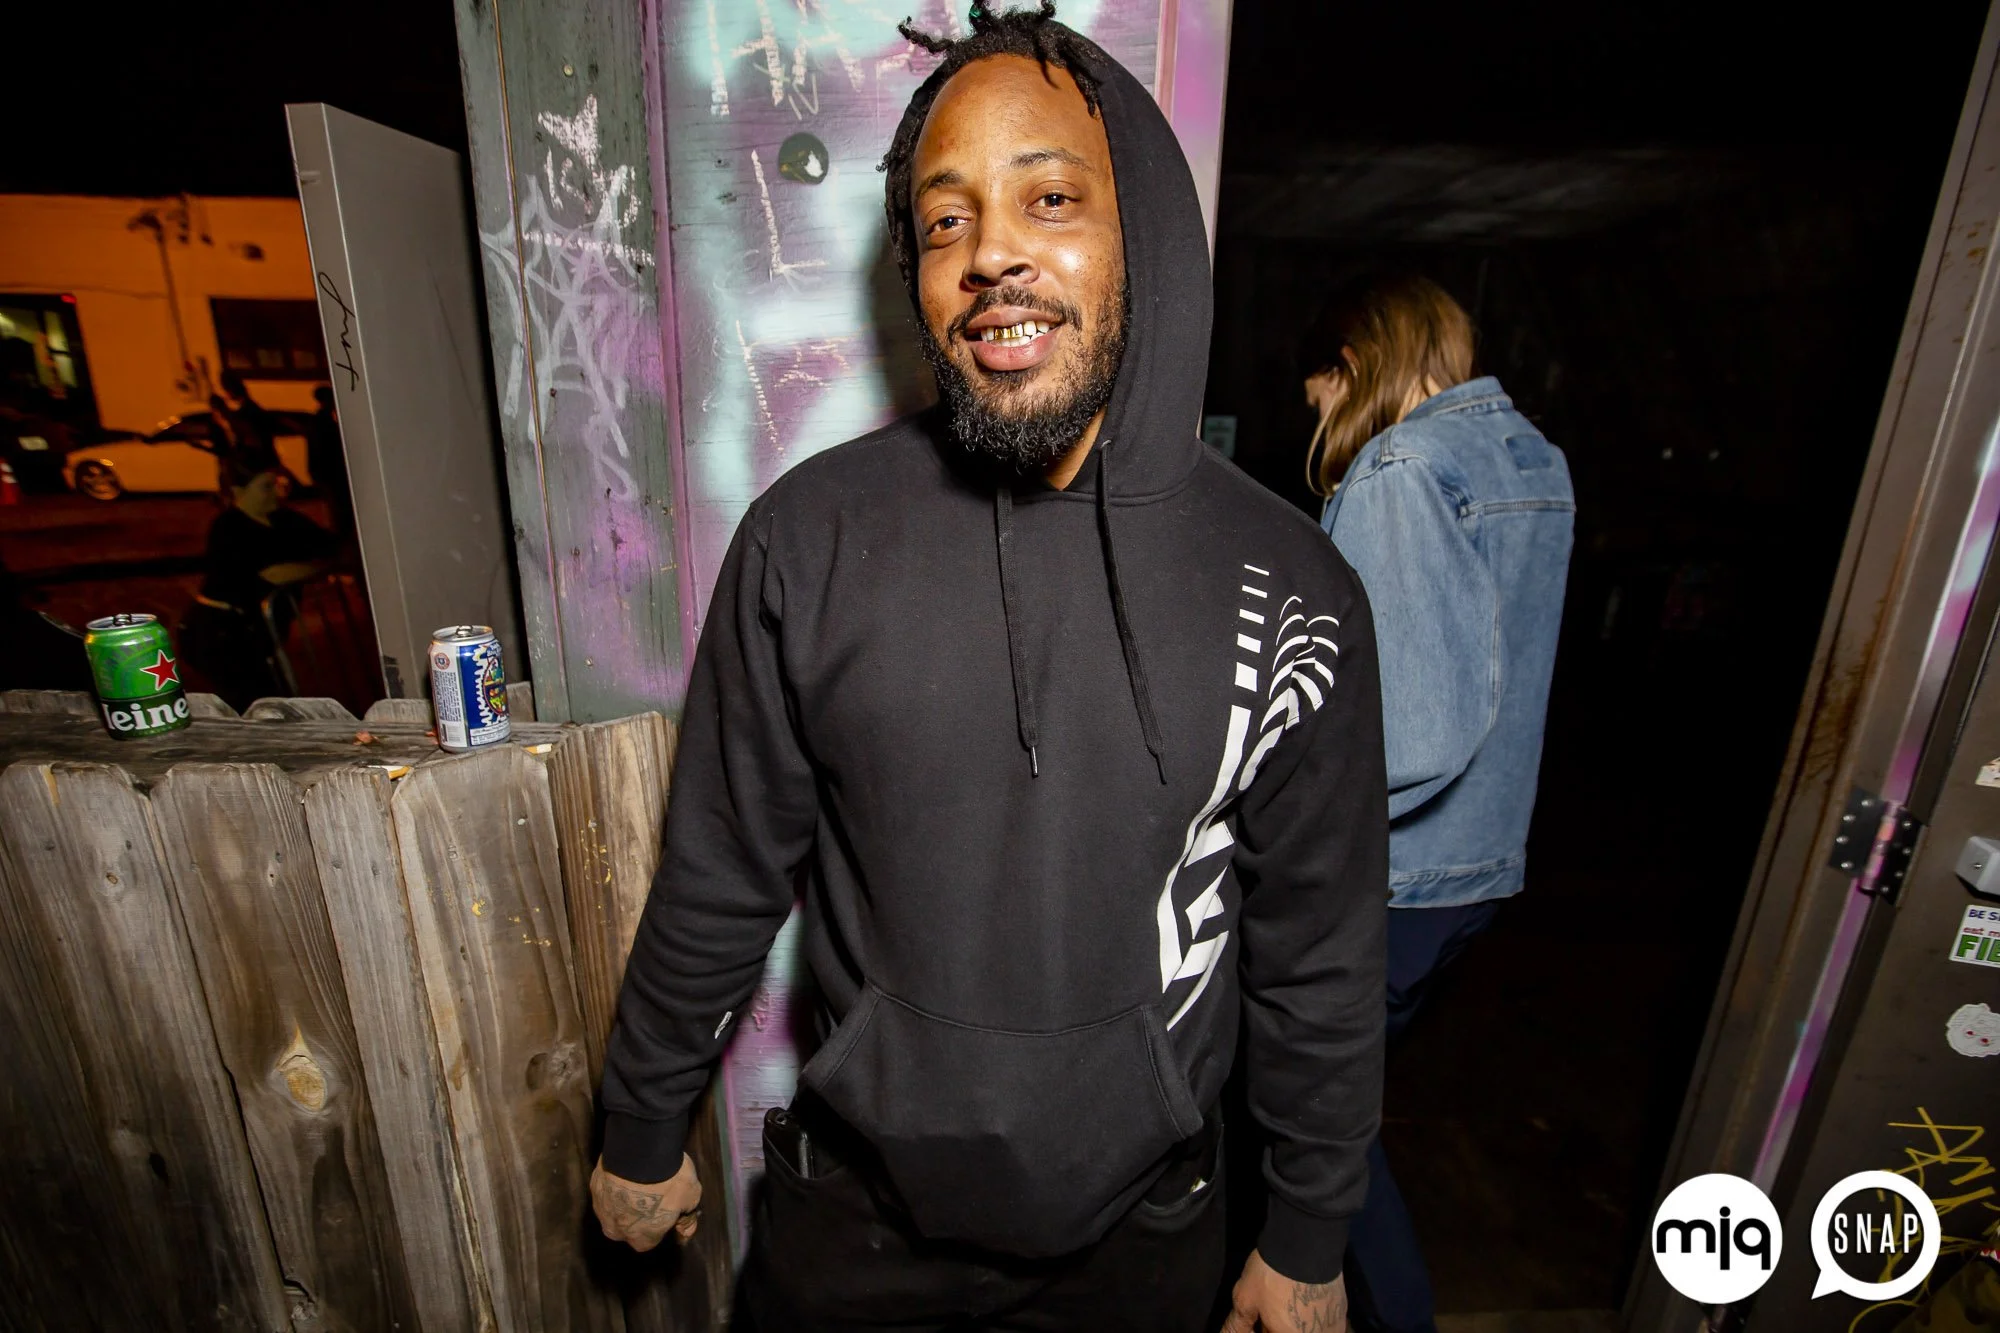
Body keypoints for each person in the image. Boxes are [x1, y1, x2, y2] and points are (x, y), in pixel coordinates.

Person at [591, 8, 1389, 1332]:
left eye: (1050, 198)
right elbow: (721, 869)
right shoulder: (809, 539)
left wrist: (1308, 1229)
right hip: (855, 1226)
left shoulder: (1292, 588)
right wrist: (642, 1115)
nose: (991, 255)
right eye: (945, 220)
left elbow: (1320, 949)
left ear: (1143, 230)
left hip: (1145, 1239)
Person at [1303, 274, 1574, 1333]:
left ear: (1354, 363)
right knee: (1337, 1110)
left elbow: (1406, 735)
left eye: (1319, 388)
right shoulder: (1528, 458)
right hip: (1474, 871)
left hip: (1394, 874)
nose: (1316, 411)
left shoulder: (1402, 465)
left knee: (1314, 1130)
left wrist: (1267, 796)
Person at [178, 449, 336, 709]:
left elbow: (331, 545)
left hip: (254, 632)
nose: (277, 492)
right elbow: (274, 574)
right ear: (239, 491)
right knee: (259, 702)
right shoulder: (229, 527)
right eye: (266, 486)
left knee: (275, 697)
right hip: (218, 634)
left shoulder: (284, 519)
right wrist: (324, 567)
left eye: (278, 484)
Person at [305, 384, 354, 545]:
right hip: (331, 473)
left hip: (327, 473)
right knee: (339, 510)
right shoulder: (324, 423)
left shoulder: (318, 422)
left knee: (337, 510)